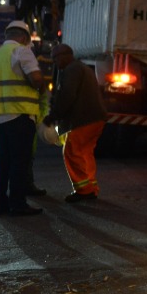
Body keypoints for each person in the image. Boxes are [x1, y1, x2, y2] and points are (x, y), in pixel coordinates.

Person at [0, 20, 45, 216]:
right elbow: (36, 79)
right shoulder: (22, 51)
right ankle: (18, 203)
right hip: (19, 114)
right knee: (20, 160)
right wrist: (41, 87)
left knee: (2, 159)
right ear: (25, 38)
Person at [43, 44, 107, 203]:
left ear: (65, 55)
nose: (54, 62)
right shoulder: (81, 68)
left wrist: (53, 116)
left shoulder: (72, 70)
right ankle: (91, 187)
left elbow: (67, 96)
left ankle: (84, 191)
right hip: (95, 119)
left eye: (55, 58)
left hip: (83, 120)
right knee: (85, 153)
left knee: (71, 152)